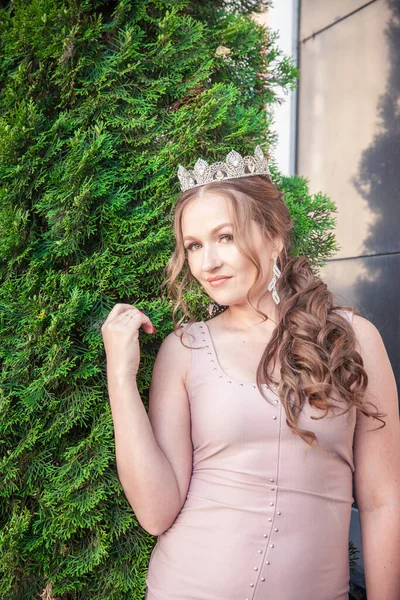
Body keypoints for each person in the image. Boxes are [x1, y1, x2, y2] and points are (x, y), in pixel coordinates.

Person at [101, 146, 400, 600]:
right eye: (194, 246)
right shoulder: (184, 350)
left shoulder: (353, 340)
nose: (207, 263)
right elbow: (156, 512)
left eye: (225, 237)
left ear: (275, 236)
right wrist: (120, 377)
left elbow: (382, 501)